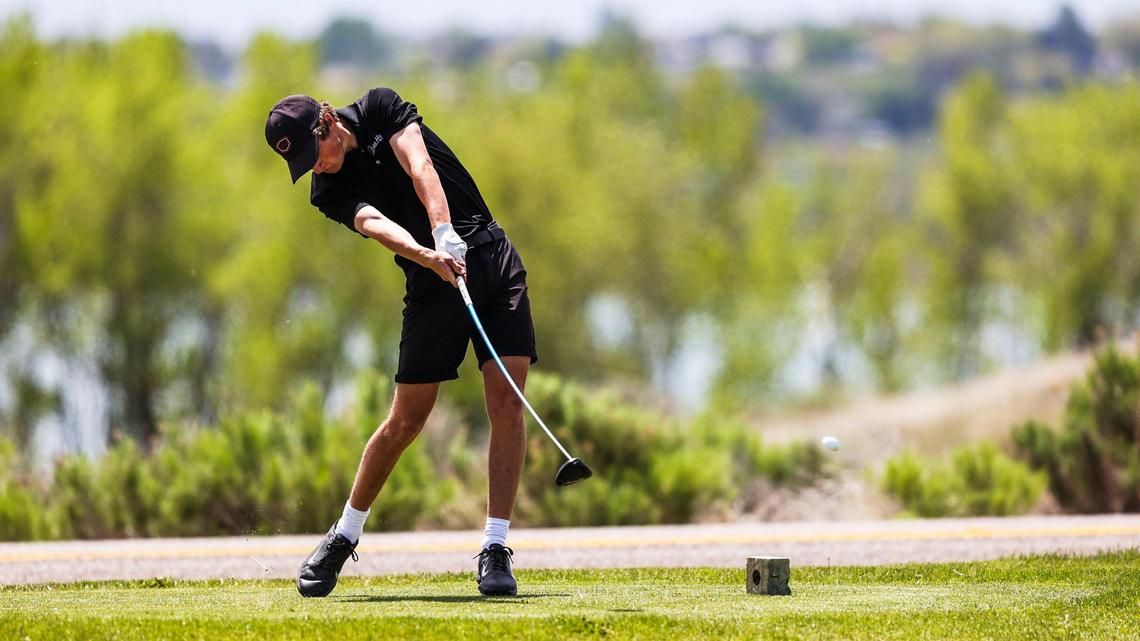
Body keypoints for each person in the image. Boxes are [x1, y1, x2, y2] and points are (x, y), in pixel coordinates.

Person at [264, 88, 537, 598]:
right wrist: (427, 254)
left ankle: (495, 548)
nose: (315, 169)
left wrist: (443, 229)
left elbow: (420, 167)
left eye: (312, 154)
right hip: (432, 281)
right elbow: (373, 221)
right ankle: (343, 537)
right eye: (303, 164)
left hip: (492, 257)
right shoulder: (326, 191)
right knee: (406, 420)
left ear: (326, 122)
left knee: (506, 401)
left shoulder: (380, 108)